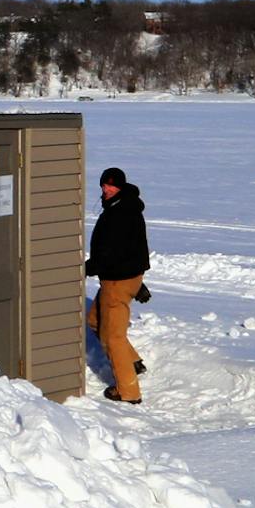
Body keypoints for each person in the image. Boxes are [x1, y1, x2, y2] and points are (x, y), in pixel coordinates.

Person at [84, 165, 151, 404]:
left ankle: (128, 391)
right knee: (94, 320)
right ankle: (132, 363)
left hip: (117, 280)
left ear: (120, 186)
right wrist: (138, 280)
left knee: (113, 337)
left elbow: (111, 253)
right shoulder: (127, 206)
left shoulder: (120, 213)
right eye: (104, 185)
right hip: (126, 277)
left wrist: (87, 268)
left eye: (111, 185)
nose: (107, 189)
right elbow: (136, 247)